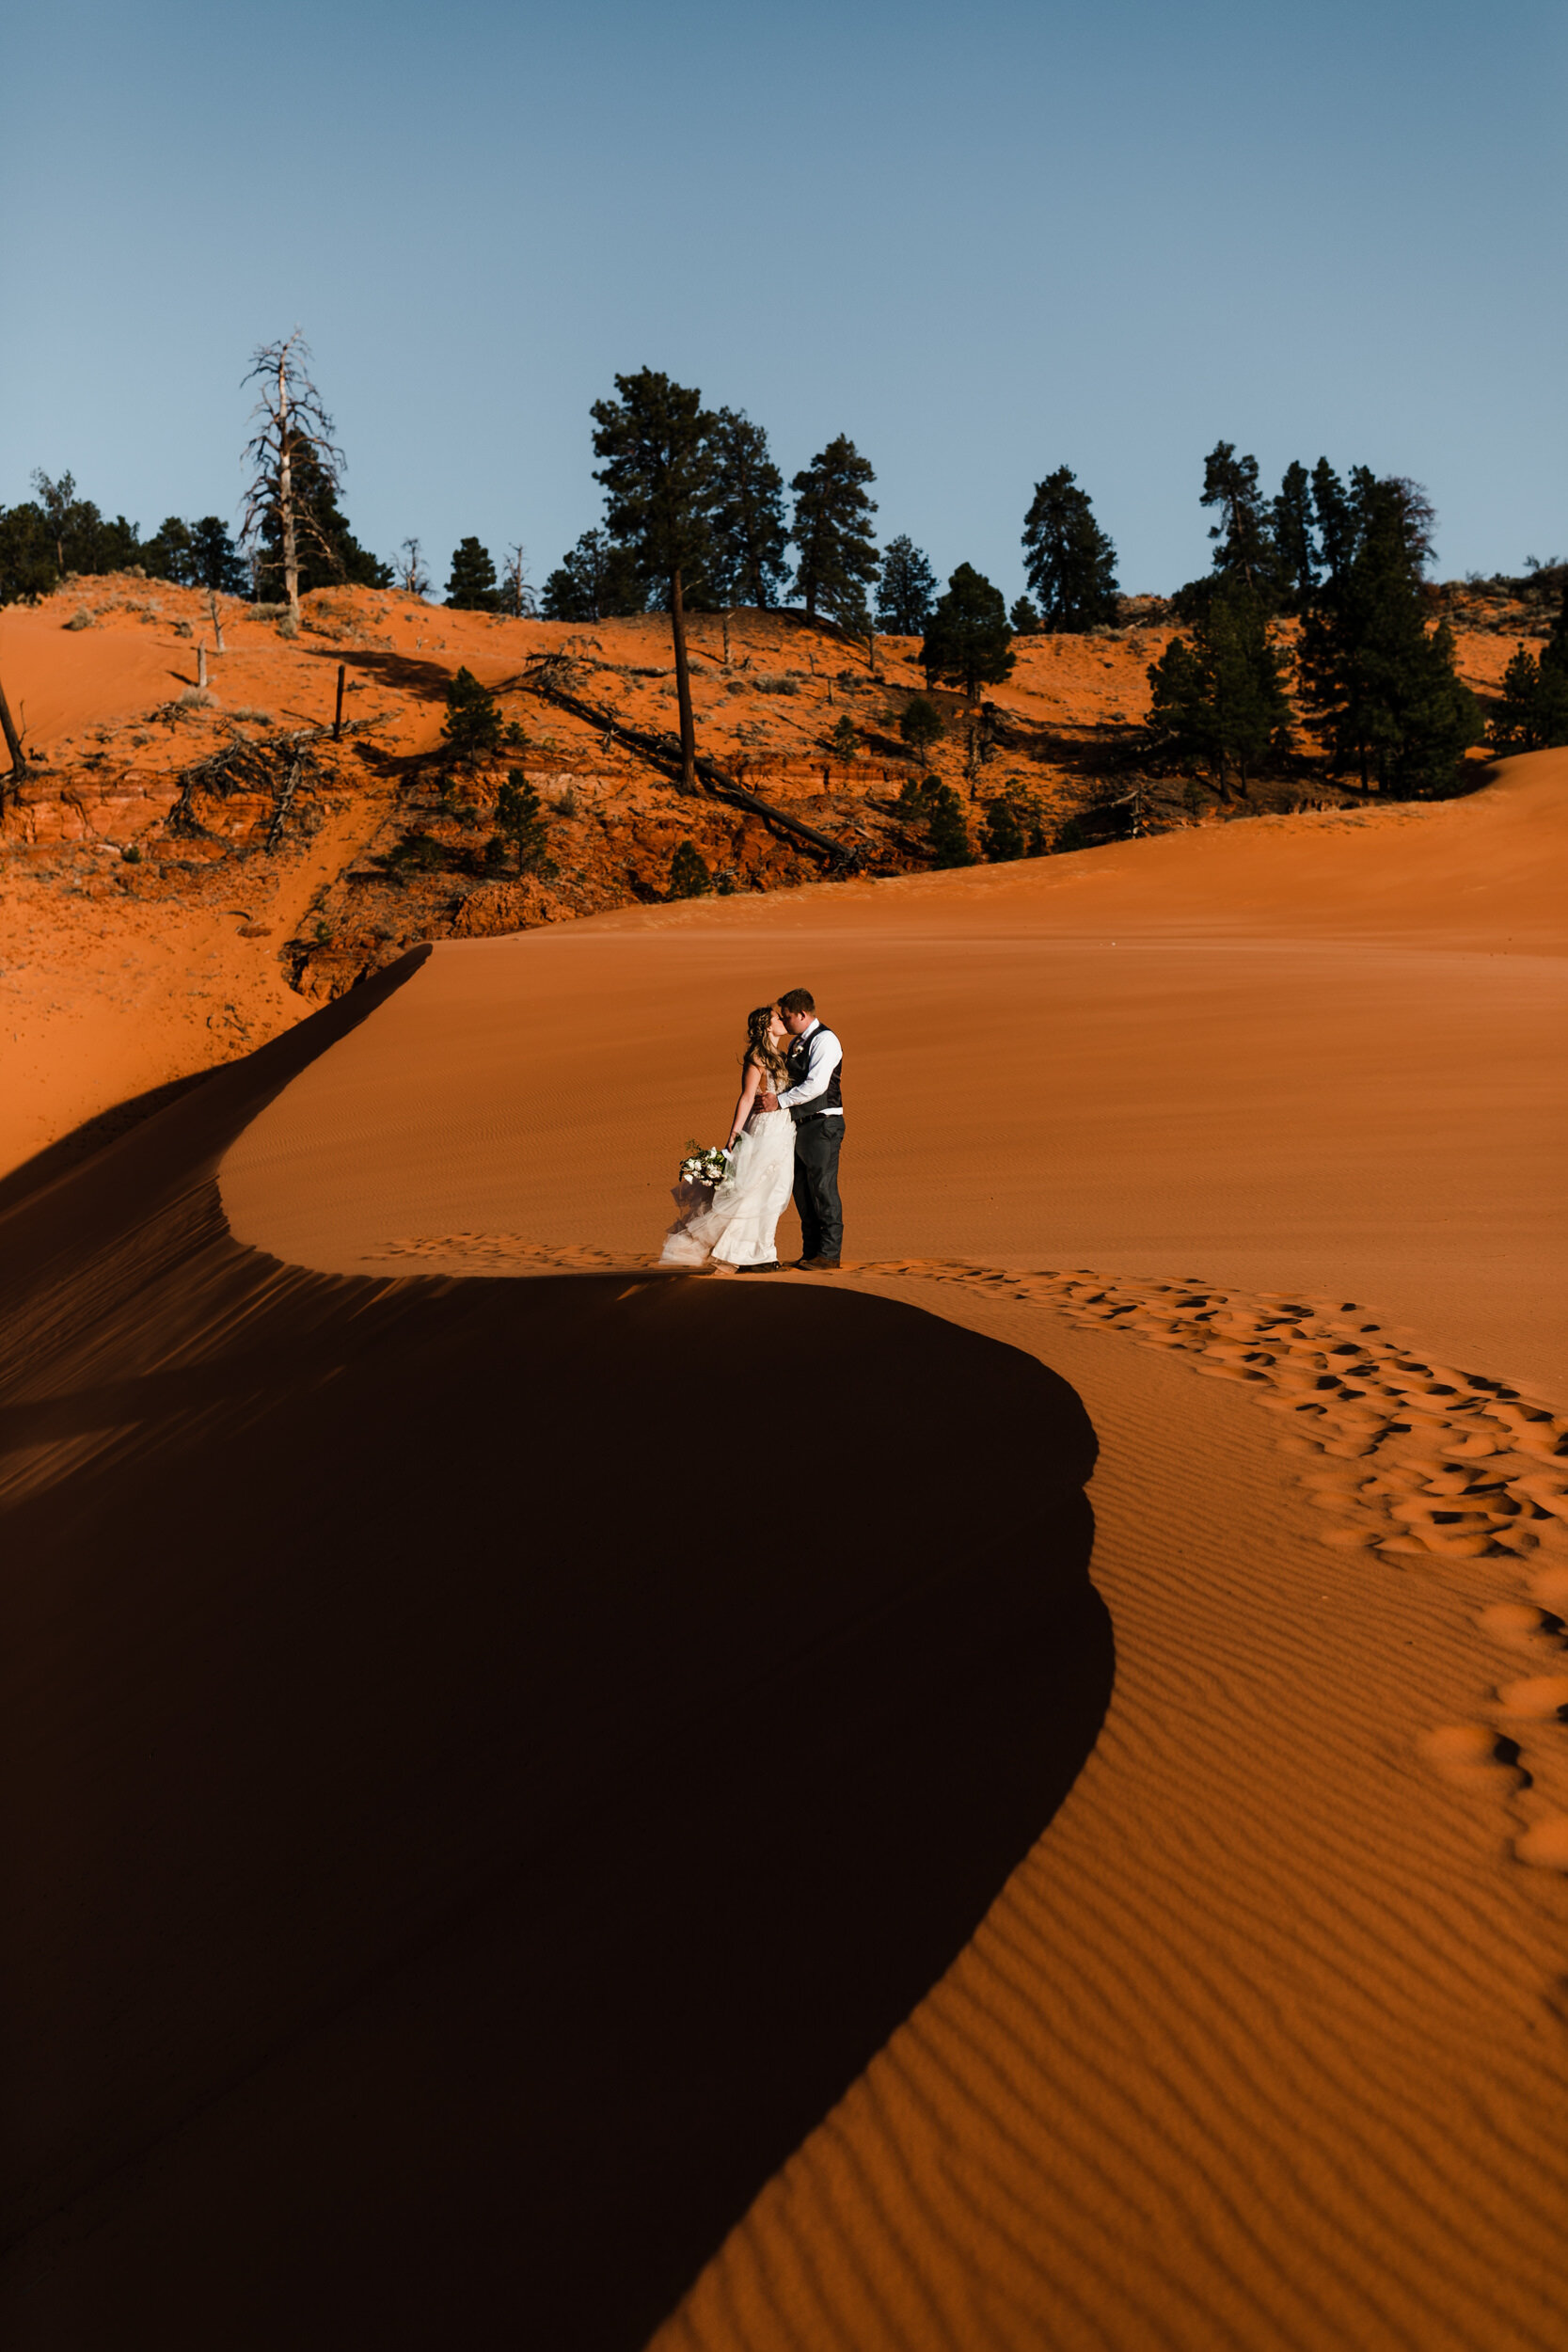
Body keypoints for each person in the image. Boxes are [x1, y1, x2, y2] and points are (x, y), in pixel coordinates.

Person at [658, 1005, 796, 1271]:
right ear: (767, 1026)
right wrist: (733, 1135)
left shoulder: (780, 1055)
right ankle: (753, 1255)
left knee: (775, 1195)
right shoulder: (757, 1057)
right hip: (764, 1130)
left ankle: (757, 1252)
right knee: (752, 1192)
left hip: (782, 1130)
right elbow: (746, 1097)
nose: (783, 1020)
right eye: (778, 1018)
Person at [772, 987, 844, 1269]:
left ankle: (828, 1254)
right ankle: (811, 1251)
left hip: (822, 1123)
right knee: (802, 1191)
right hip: (800, 1125)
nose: (784, 1021)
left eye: (787, 1017)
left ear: (802, 1014)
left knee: (823, 1188)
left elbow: (816, 1085)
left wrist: (778, 1102)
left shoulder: (825, 1040)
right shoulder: (797, 1043)